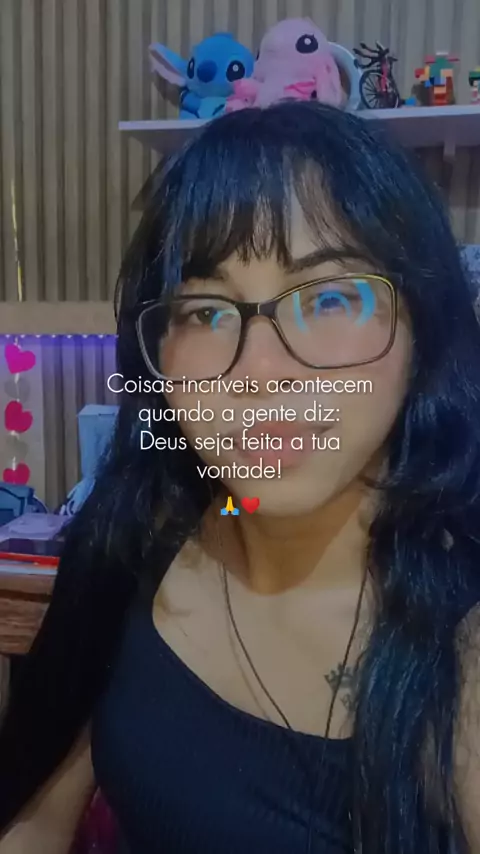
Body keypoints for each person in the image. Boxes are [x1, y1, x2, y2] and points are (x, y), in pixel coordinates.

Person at [0, 100, 479, 854]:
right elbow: (37, 817)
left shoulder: (461, 641)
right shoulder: (138, 540)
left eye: (330, 297)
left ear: (425, 332)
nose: (258, 371)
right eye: (205, 311)